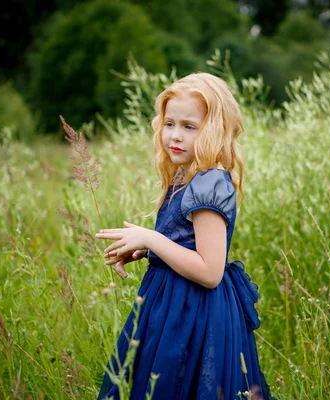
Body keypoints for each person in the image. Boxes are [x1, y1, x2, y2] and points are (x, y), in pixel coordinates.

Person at [95, 72, 273, 400]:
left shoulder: (209, 184)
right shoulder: (186, 173)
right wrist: (148, 250)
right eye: (169, 123)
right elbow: (185, 243)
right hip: (171, 302)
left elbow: (209, 271)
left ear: (214, 130)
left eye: (189, 127)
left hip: (196, 311)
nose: (175, 136)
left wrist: (152, 240)